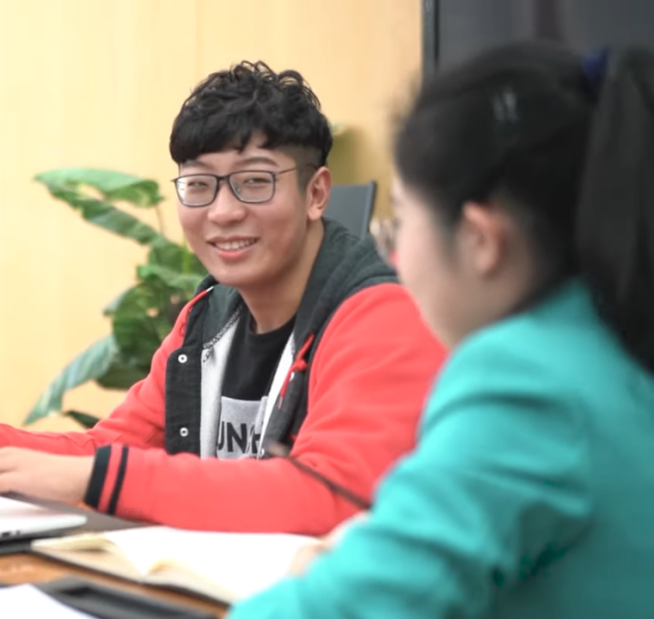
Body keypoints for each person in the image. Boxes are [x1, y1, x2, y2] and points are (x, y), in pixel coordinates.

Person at [0, 61, 445, 535]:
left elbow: (327, 492)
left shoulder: (380, 313)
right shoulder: (208, 319)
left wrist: (94, 479)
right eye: (198, 185)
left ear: (317, 193)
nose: (222, 211)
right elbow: (110, 444)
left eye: (254, 180)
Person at [229, 42, 654, 618]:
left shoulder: (525, 383)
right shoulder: (612, 344)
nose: (396, 255)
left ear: (480, 239)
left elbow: (350, 607)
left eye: (401, 222)